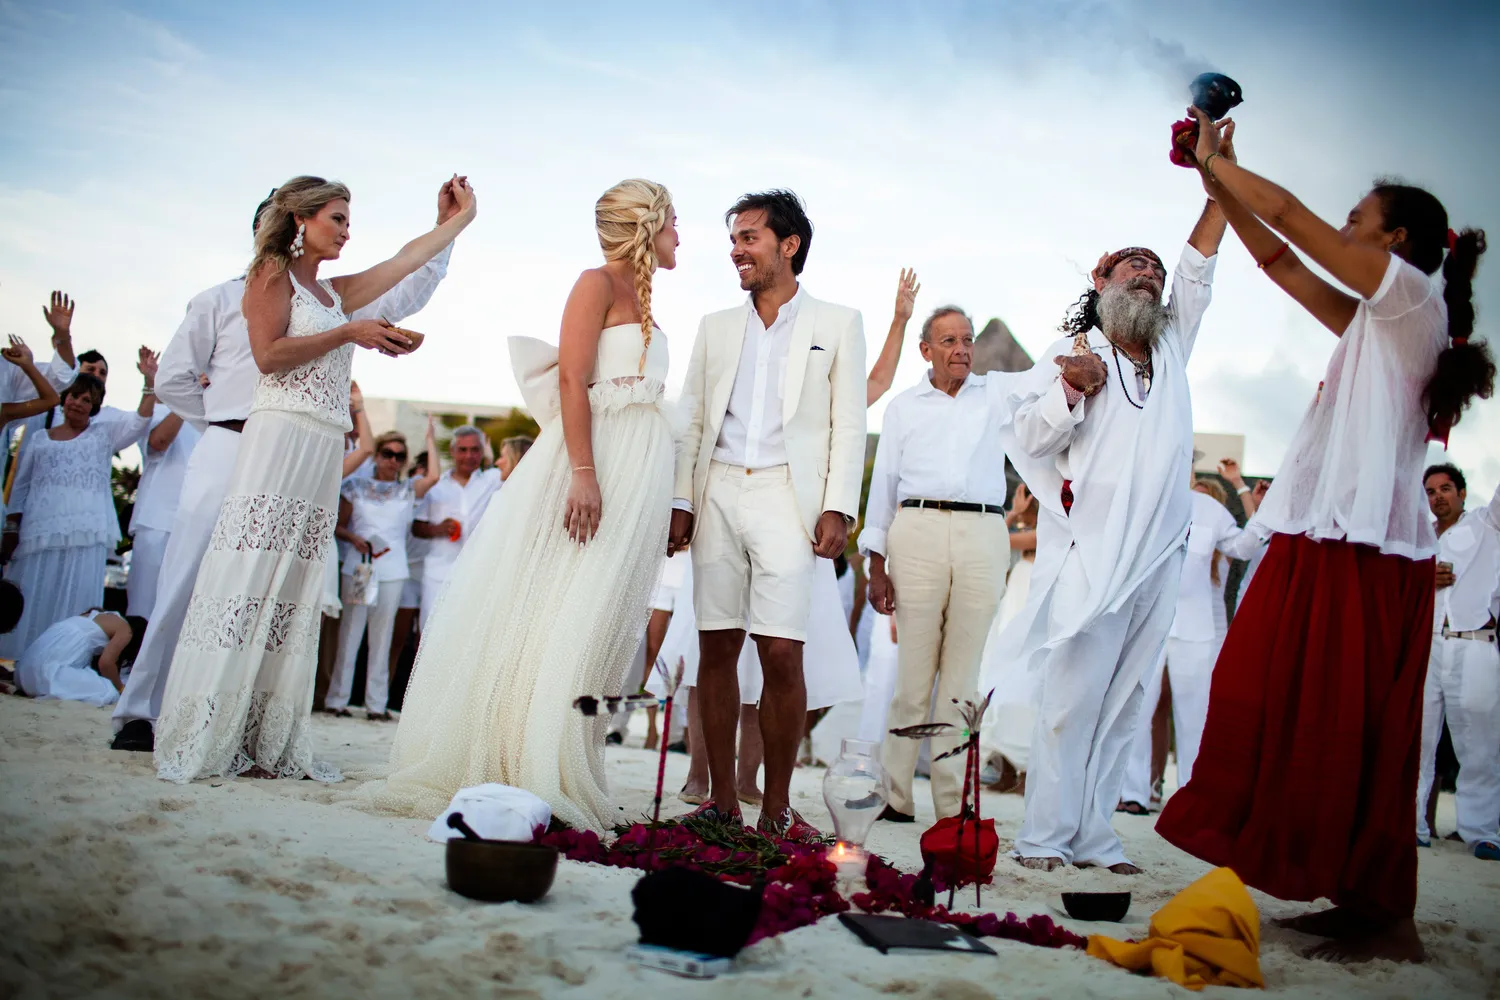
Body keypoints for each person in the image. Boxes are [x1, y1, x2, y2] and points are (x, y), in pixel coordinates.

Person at [1156, 108, 1494, 963]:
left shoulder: (1410, 293)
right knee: (1288, 706)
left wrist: (1225, 164)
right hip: (1332, 541)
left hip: (1369, 555)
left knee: (1352, 732)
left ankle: (1390, 916)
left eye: (1360, 219)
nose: (1345, 227)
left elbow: (1294, 219)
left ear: (1398, 240)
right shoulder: (1383, 319)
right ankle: (1361, 897)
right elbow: (1279, 258)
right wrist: (1215, 182)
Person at [109, 180, 460, 753]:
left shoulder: (332, 295)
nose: (344, 231)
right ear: (285, 225)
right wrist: (223, 421)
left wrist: (446, 232)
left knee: (265, 588)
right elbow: (173, 377)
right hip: (228, 447)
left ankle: (232, 713)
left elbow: (404, 287)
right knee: (189, 579)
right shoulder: (218, 298)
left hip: (297, 457)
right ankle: (139, 709)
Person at [372, 178, 677, 831]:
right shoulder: (595, 283)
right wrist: (584, 473)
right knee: (558, 612)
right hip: (592, 468)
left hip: (637, 478)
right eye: (673, 221)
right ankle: (522, 762)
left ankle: (570, 759)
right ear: (648, 226)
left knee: (596, 622)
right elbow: (571, 376)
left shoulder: (649, 302)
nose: (682, 235)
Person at [994, 159, 1226, 872]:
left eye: (1154, 272)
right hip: (1093, 559)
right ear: (1100, 282)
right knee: (1072, 702)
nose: (1150, 277)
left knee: (1126, 707)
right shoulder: (1071, 358)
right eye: (1134, 268)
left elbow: (1199, 263)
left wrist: (1218, 182)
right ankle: (1043, 839)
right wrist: (1070, 390)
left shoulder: (1172, 348)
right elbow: (1029, 439)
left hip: (1161, 559)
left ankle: (1095, 838)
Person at [668, 189, 866, 839]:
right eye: (734, 238)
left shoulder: (837, 323)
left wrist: (838, 506)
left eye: (749, 237)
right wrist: (681, 500)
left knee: (783, 651)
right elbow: (692, 417)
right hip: (719, 488)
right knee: (715, 643)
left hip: (790, 496)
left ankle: (776, 806)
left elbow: (848, 423)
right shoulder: (716, 326)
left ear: (789, 245)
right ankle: (723, 801)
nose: (736, 250)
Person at [860, 305, 1013, 822]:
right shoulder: (903, 407)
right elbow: (883, 487)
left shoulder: (996, 396)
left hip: (985, 532)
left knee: (962, 681)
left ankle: (953, 805)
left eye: (967, 339)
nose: (962, 349)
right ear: (926, 350)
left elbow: (1049, 394)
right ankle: (896, 796)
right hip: (917, 531)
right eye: (949, 340)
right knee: (912, 679)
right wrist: (875, 566)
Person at [1118, 469, 1264, 813]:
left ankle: (1191, 796)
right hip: (1146, 620)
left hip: (1196, 627)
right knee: (1135, 708)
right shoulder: (1143, 499)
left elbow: (1241, 547)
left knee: (1195, 714)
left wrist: (1269, 513)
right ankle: (1132, 792)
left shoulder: (1210, 509)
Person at [2, 365, 155, 658]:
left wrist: (149, 382)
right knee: (35, 593)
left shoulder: (103, 437)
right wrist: (12, 525)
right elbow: (21, 487)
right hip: (39, 531)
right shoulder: (39, 439)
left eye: (86, 400)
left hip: (86, 532)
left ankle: (63, 659)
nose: (77, 403)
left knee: (74, 597)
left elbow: (140, 422)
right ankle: (21, 659)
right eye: (74, 396)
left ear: (94, 407)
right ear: (64, 398)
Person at [327, 422, 440, 721]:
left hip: (393, 569)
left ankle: (376, 705)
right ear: (376, 456)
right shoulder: (355, 487)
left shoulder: (407, 490)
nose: (393, 460)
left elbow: (434, 476)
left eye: (400, 456)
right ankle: (337, 699)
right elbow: (336, 524)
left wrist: (430, 439)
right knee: (350, 632)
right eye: (388, 453)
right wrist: (353, 538)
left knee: (383, 635)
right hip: (359, 567)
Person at [1415, 464, 1500, 859]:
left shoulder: (1486, 523)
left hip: (1475, 641)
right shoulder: (1418, 537)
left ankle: (1482, 832)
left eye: (1446, 488)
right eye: (1431, 491)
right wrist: (1421, 580)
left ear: (1463, 493)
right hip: (1427, 646)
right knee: (1418, 739)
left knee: (1479, 743)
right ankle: (1413, 823)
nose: (1438, 497)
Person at [976, 481, 1039, 790]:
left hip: (1033, 603)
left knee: (1027, 687)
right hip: (1014, 601)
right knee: (1000, 682)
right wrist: (1014, 512)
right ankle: (1005, 768)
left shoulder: (1051, 531)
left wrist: (1014, 516)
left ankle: (1027, 769)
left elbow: (997, 538)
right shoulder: (1027, 535)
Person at [411, 425, 501, 632]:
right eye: (463, 450)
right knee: (431, 632)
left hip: (478, 574)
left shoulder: (493, 480)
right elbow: (416, 527)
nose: (469, 455)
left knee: (468, 633)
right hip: (439, 573)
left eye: (475, 449)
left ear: (482, 451)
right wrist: (437, 529)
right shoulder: (435, 486)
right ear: (452, 452)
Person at [127, 403, 201, 619]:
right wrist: (186, 398)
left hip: (195, 525)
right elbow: (158, 443)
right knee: (144, 608)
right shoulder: (160, 410)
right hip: (156, 523)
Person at [16, 609, 145, 707]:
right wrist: (121, 689)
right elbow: (106, 664)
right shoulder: (125, 629)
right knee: (108, 691)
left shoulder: (97, 615)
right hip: (47, 673)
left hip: (23, 673)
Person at [0, 337, 62, 430]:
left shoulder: (4, 411)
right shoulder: (5, 412)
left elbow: (51, 400)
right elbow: (51, 400)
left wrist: (28, 365)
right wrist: (28, 366)